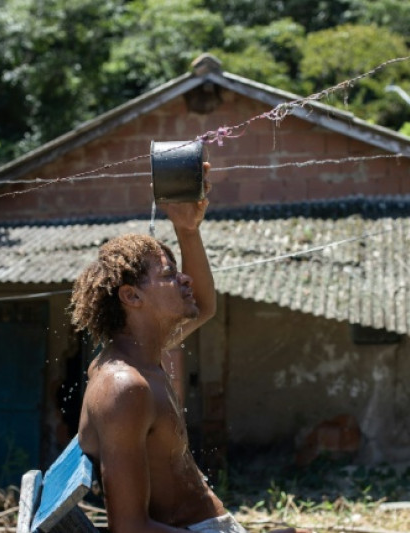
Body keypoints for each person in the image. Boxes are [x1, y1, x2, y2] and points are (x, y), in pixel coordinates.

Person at [70, 164, 305, 533]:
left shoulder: (142, 354)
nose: (184, 279)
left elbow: (207, 306)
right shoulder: (124, 387)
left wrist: (187, 227)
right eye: (168, 275)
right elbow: (130, 529)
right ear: (131, 296)